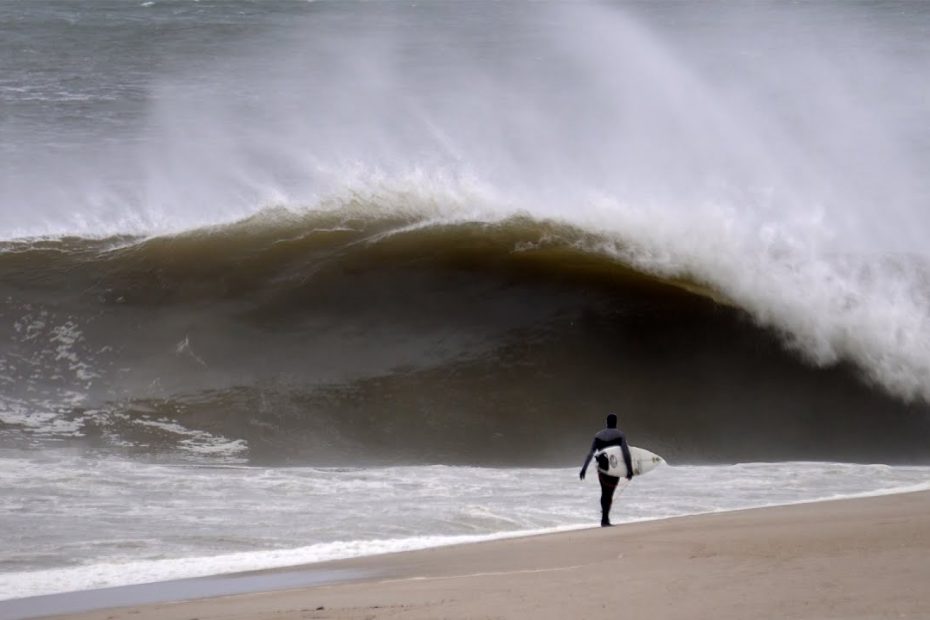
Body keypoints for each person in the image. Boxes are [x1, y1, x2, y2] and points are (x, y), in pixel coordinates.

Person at [579, 413, 633, 527]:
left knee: (605, 492)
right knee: (609, 492)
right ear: (616, 422)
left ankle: (604, 518)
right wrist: (629, 469)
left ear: (606, 422)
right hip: (615, 467)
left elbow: (590, 453)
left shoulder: (598, 435)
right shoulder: (620, 435)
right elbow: (625, 453)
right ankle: (605, 518)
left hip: (602, 467)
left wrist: (584, 468)